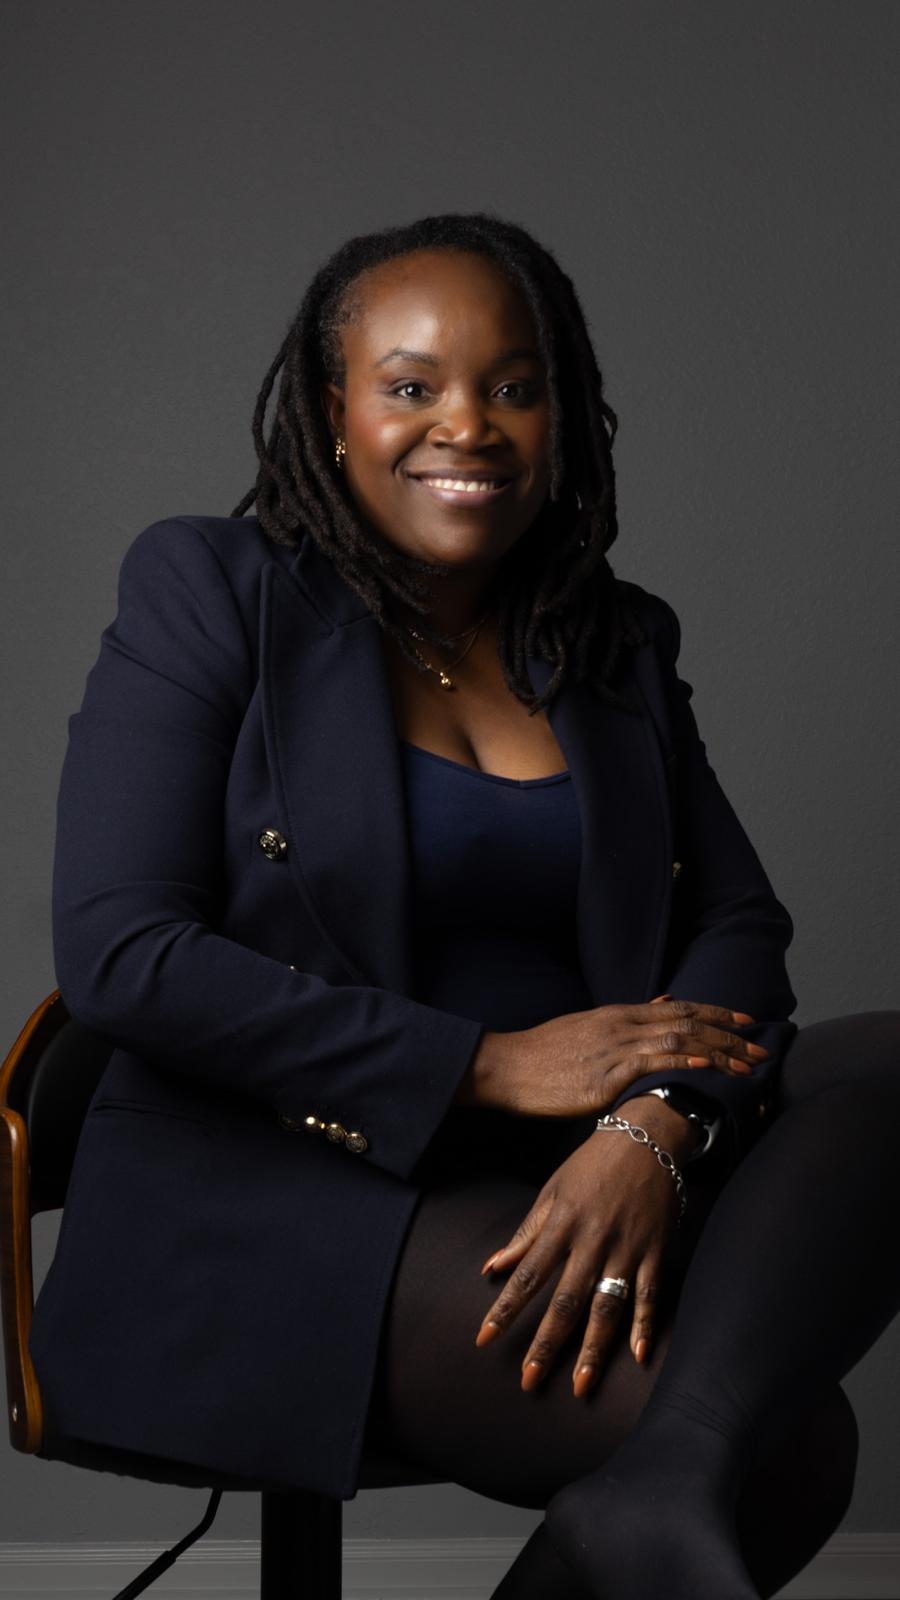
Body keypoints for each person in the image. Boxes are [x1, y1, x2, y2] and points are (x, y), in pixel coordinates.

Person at [29, 211, 899, 1599]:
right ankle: (668, 1479)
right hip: (284, 1189)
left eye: (513, 386)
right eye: (411, 385)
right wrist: (488, 1065)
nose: (468, 426)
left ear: (563, 416)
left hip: (555, 1169)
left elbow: (738, 925)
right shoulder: (213, 591)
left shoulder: (609, 638)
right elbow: (124, 955)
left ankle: (658, 1486)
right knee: (785, 1450)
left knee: (886, 1067)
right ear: (333, 413)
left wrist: (650, 1128)